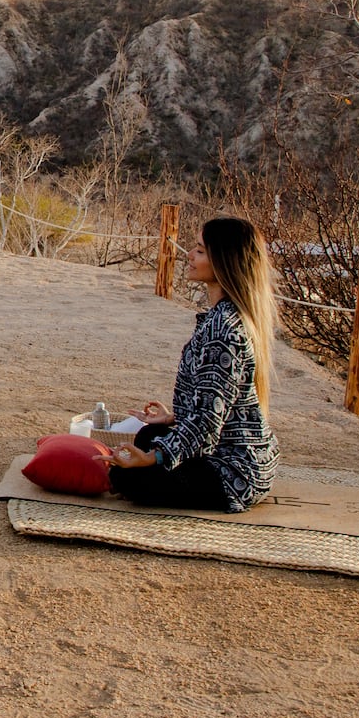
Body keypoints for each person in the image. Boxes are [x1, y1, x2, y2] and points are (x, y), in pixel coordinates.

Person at [102, 216, 280, 512]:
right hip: (228, 454)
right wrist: (173, 419)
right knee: (148, 436)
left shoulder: (224, 331)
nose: (189, 255)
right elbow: (219, 404)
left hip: (232, 473)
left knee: (128, 477)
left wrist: (153, 458)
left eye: (199, 251)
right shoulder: (221, 318)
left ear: (223, 261)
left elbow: (209, 422)